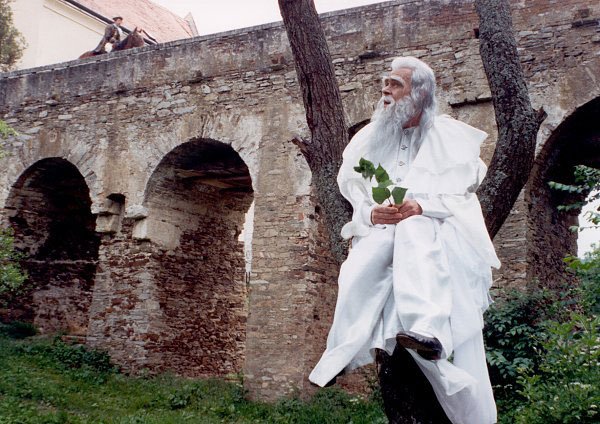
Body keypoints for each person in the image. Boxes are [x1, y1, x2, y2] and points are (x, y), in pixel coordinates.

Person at [308, 56, 501, 424]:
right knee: (360, 264)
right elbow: (357, 193)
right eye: (385, 83)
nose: (386, 90)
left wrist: (422, 206)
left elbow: (463, 196)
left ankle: (427, 330)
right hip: (386, 229)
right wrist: (371, 213)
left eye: (395, 84)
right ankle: (341, 352)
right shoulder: (371, 139)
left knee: (414, 231)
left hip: (435, 231)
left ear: (420, 94)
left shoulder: (446, 137)